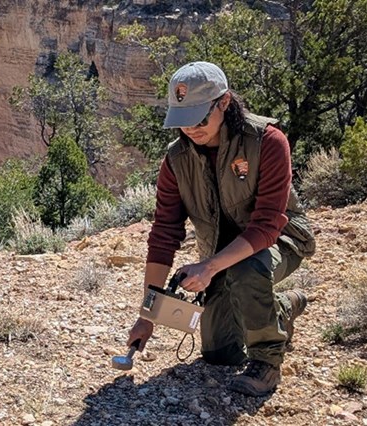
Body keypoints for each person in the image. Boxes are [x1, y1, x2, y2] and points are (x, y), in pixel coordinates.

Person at [127, 61, 316, 397]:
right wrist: (147, 315)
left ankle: (267, 362)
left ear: (224, 102)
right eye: (183, 121)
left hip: (281, 240)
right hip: (217, 253)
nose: (191, 129)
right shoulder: (175, 161)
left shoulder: (268, 142)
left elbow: (266, 227)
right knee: (219, 355)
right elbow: (163, 236)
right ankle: (282, 307)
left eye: (200, 118)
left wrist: (209, 267)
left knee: (246, 268)